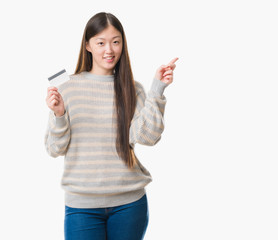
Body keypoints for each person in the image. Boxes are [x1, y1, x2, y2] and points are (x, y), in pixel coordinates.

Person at [44, 12, 178, 240]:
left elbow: (148, 136)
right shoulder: (66, 86)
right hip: (81, 207)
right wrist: (59, 115)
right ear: (87, 45)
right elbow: (53, 148)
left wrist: (157, 89)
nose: (109, 50)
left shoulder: (132, 88)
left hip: (129, 204)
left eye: (116, 42)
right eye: (101, 42)